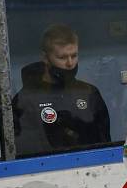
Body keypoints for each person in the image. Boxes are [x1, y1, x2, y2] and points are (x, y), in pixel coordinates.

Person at [12, 24, 110, 156]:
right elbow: (22, 150)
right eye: (62, 58)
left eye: (74, 56)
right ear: (46, 58)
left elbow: (104, 142)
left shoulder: (88, 93)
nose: (70, 63)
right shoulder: (26, 99)